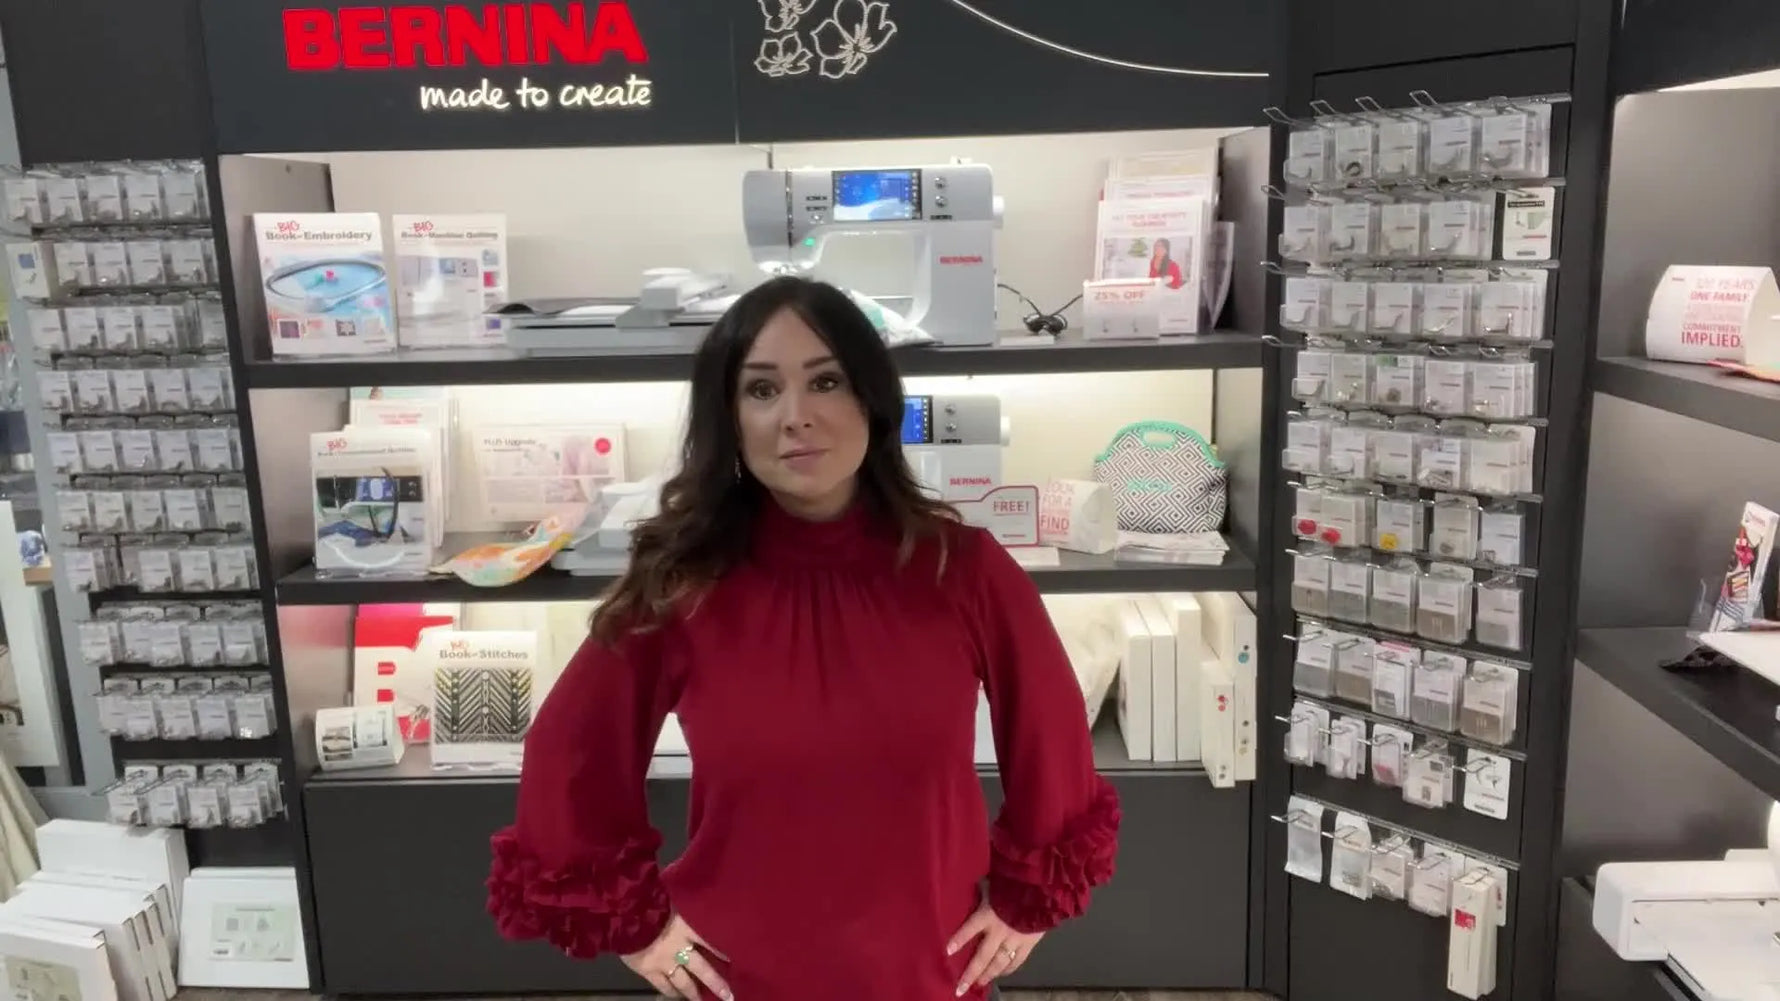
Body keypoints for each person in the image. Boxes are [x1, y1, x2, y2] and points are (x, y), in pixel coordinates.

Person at [486, 276, 1120, 1000]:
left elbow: (1051, 723)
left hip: (928, 974)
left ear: (871, 401)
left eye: (826, 381)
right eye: (761, 390)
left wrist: (1026, 899)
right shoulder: (684, 585)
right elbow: (570, 748)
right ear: (729, 417)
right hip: (740, 978)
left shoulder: (963, 570)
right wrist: (637, 925)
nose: (796, 416)